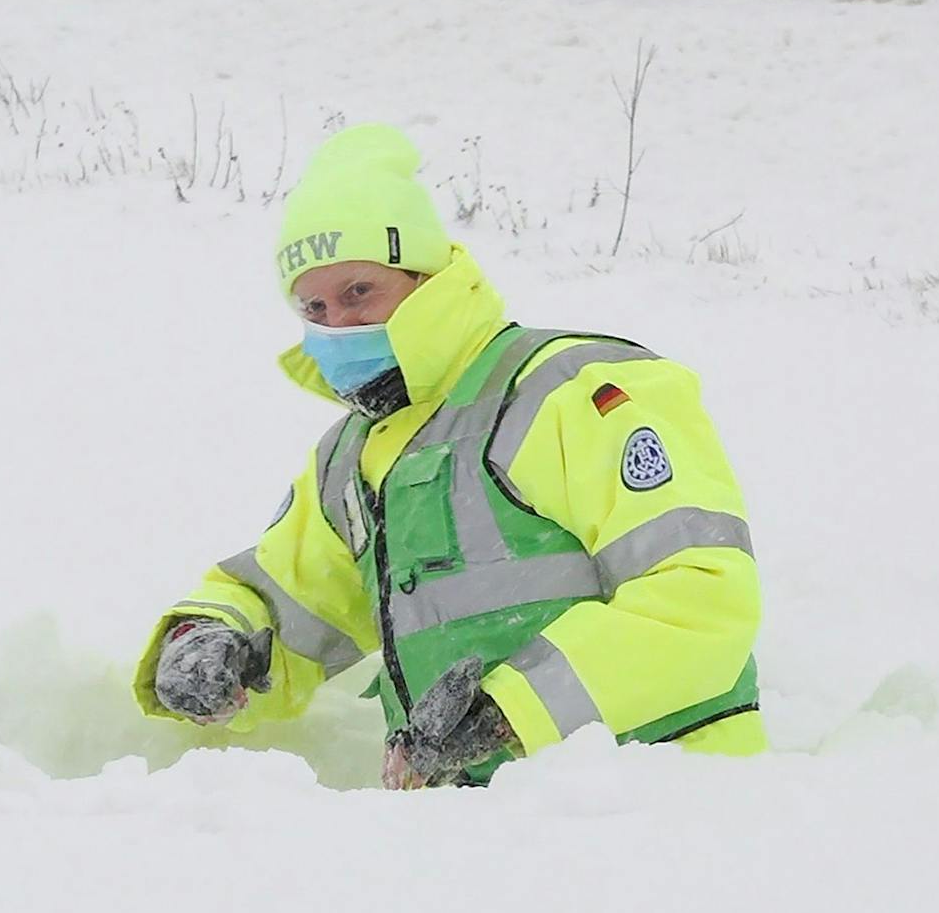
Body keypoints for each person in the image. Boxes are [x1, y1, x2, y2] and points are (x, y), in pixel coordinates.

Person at [133, 124, 765, 788]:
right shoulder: (351, 461)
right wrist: (205, 638)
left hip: (672, 808)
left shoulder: (571, 390)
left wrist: (508, 712)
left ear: (426, 278)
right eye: (314, 306)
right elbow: (285, 596)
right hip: (491, 843)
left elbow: (702, 597)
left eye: (359, 292)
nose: (337, 324)